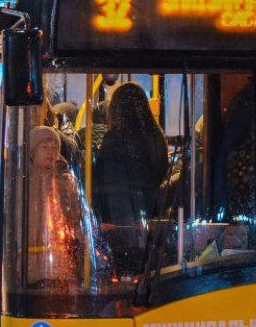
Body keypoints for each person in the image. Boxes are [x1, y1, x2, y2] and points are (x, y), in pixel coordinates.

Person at [94, 82, 169, 275]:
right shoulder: (156, 137)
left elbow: (114, 189)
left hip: (123, 227)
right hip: (151, 219)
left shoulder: (115, 139)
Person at [26, 126, 83, 288]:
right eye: (44, 147)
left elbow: (76, 219)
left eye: (54, 148)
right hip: (28, 263)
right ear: (33, 152)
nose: (50, 152)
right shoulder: (23, 183)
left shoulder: (67, 182)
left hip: (60, 263)